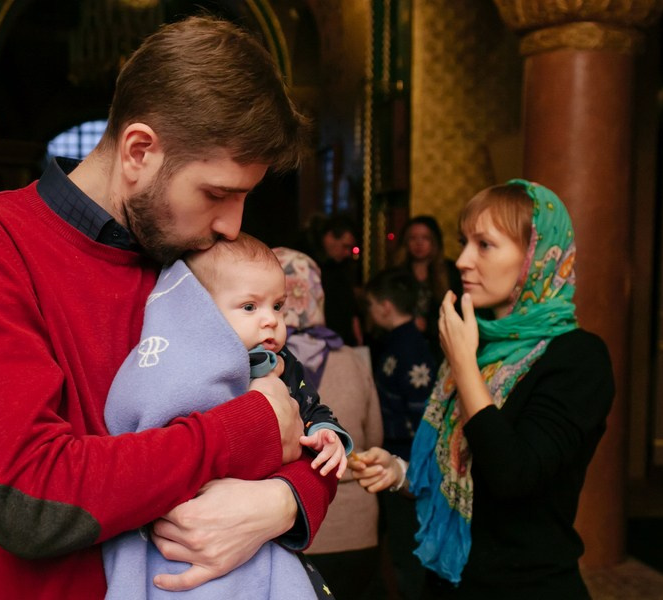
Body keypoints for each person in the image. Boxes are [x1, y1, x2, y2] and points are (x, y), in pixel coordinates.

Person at [0, 16, 336, 599]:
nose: (232, 225)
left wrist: (283, 501)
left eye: (244, 197)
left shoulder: (195, 256)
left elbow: (296, 412)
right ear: (139, 150)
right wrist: (248, 430)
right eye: (216, 194)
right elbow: (30, 500)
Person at [351, 180, 614, 599]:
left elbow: (513, 476)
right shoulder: (480, 344)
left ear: (536, 258)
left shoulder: (578, 358)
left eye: (485, 245)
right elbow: (458, 469)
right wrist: (400, 474)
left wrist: (464, 364)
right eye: (463, 243)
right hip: (448, 583)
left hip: (525, 587)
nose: (464, 260)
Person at [102, 234, 351, 600]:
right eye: (250, 307)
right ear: (202, 310)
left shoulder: (284, 366)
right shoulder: (178, 360)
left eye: (278, 306)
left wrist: (326, 432)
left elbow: (311, 407)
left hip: (254, 531)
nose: (270, 320)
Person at [271, 247, 385, 600]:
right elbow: (372, 436)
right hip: (356, 529)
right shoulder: (351, 359)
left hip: (290, 528)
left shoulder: (262, 365)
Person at [361, 267, 436, 599]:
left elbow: (423, 416)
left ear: (386, 307)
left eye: (372, 305)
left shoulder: (409, 348)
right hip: (397, 454)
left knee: (408, 550)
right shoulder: (395, 343)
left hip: (409, 460)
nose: (370, 313)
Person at [396, 216, 462, 363]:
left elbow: (459, 312)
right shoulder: (397, 273)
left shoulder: (450, 271)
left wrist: (429, 326)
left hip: (438, 348)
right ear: (406, 242)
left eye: (425, 238)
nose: (419, 243)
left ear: (434, 242)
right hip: (403, 346)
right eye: (413, 238)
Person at [311, 214, 364, 346]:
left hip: (344, 339)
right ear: (329, 238)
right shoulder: (309, 265)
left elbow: (351, 308)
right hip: (320, 339)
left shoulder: (342, 268)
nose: (347, 253)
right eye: (345, 246)